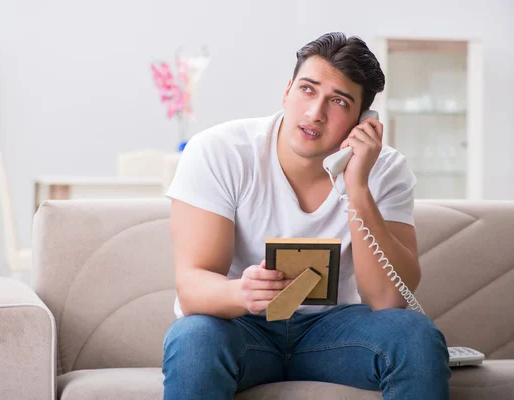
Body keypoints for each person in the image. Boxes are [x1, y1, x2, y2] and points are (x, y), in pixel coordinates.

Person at [162, 32, 451, 399]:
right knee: (193, 337)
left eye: (339, 102)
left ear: (363, 120)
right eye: (308, 90)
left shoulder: (385, 169)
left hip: (336, 333)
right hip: (241, 326)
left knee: (415, 335)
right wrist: (243, 292)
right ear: (287, 91)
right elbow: (191, 287)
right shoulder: (221, 152)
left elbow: (388, 300)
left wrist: (358, 186)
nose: (315, 113)